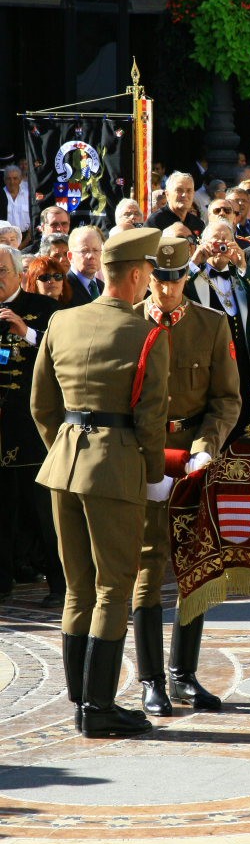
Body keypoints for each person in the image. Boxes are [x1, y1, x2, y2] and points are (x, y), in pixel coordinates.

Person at [30, 228, 170, 738]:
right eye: (149, 272)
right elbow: (151, 420)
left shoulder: (61, 321)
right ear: (135, 275)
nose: (151, 281)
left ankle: (80, 701)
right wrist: (152, 475)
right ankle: (99, 707)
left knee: (77, 588)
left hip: (63, 465)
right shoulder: (147, 334)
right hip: (115, 466)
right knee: (114, 586)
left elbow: (41, 405)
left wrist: (66, 450)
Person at [133, 237, 241, 716]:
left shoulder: (211, 324)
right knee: (148, 565)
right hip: (145, 456)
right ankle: (151, 679)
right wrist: (144, 458)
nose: (168, 288)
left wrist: (206, 447)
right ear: (147, 276)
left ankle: (183, 674)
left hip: (193, 454)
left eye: (176, 279)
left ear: (187, 278)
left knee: (194, 567)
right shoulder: (130, 323)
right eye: (160, 278)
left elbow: (226, 399)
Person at [0, 245, 64, 606]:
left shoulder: (43, 309)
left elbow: (61, 355)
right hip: (1, 426)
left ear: (18, 273)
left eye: (2, 271)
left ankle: (59, 584)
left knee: (43, 509)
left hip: (31, 425)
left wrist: (26, 331)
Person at [185, 222, 250, 442]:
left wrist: (242, 264)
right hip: (208, 366)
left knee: (242, 424)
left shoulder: (240, 277)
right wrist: (195, 262)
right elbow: (176, 290)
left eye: (226, 240)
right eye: (215, 240)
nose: (220, 245)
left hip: (242, 366)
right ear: (202, 243)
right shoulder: (194, 276)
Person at [145, 171, 204, 238]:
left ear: (193, 194)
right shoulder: (155, 222)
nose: (184, 195)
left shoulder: (198, 224)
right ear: (167, 194)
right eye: (179, 190)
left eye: (189, 190)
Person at [66, 225, 106, 306]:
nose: (91, 256)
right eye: (84, 250)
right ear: (70, 256)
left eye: (95, 250)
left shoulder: (103, 287)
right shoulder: (63, 287)